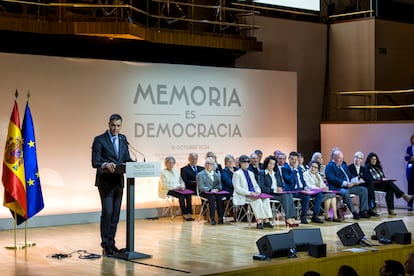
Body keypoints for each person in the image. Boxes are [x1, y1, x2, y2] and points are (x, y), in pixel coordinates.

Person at [91, 113, 134, 256]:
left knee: (115, 215)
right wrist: (105, 164)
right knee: (108, 213)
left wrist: (135, 165)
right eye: (113, 125)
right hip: (105, 182)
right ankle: (105, 245)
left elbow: (126, 158)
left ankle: (112, 244)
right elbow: (95, 162)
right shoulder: (99, 140)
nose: (116, 129)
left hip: (119, 182)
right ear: (109, 124)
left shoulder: (123, 139)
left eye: (118, 126)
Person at [325, 149, 370, 220]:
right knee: (345, 192)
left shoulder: (343, 165)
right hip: (337, 187)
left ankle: (363, 211)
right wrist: (345, 183)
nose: (341, 160)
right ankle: (354, 212)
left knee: (363, 190)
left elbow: (349, 175)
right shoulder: (330, 166)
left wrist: (356, 180)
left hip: (348, 186)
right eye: (339, 158)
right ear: (334, 158)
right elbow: (332, 178)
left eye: (342, 158)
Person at [232, 154, 274, 229]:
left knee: (266, 199)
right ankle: (259, 221)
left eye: (248, 162)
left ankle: (266, 220)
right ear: (240, 163)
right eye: (244, 162)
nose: (246, 164)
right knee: (257, 200)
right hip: (243, 195)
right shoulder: (237, 174)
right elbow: (237, 188)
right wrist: (249, 193)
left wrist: (258, 191)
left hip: (253, 194)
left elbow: (256, 185)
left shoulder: (251, 173)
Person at [282, 151, 324, 224]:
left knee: (319, 194)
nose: (294, 161)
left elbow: (302, 180)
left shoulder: (299, 168)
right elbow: (289, 180)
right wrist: (294, 170)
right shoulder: (285, 168)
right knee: (306, 196)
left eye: (296, 159)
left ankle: (315, 215)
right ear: (289, 159)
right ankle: (303, 216)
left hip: (301, 189)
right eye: (292, 159)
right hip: (292, 191)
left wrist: (305, 187)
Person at [258, 155, 298, 227]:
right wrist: (274, 190)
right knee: (285, 196)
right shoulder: (262, 173)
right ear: (266, 163)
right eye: (270, 163)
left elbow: (280, 184)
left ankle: (292, 217)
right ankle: (288, 218)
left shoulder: (276, 173)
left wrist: (280, 188)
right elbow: (262, 187)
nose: (271, 165)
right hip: (269, 194)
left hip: (277, 193)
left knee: (289, 195)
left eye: (273, 164)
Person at [158, 156, 193, 221]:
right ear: (166, 164)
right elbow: (164, 184)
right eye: (169, 163)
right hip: (168, 190)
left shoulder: (176, 171)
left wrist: (182, 186)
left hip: (178, 189)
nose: (171, 164)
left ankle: (189, 213)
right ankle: (184, 213)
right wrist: (176, 187)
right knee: (181, 196)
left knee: (188, 194)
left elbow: (181, 181)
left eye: (172, 163)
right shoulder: (163, 172)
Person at [348, 151, 379, 217]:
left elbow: (368, 178)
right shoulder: (349, 167)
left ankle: (365, 210)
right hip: (352, 186)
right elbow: (350, 177)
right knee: (366, 188)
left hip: (361, 185)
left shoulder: (363, 168)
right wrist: (359, 179)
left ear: (361, 160)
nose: (357, 159)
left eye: (359, 158)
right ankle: (370, 207)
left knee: (369, 185)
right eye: (356, 157)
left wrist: (362, 179)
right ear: (354, 158)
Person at [196, 157, 225, 225]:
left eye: (211, 164)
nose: (209, 165)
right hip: (204, 192)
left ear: (213, 165)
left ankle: (220, 218)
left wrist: (217, 189)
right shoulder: (200, 174)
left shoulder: (216, 174)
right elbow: (201, 186)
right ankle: (212, 218)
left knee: (219, 197)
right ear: (205, 164)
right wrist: (210, 190)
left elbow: (219, 184)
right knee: (212, 197)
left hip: (215, 192)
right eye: (207, 163)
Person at [405, 134, 414, 211]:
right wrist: (410, 158)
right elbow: (406, 157)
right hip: (411, 166)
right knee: (410, 186)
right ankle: (410, 205)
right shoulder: (409, 148)